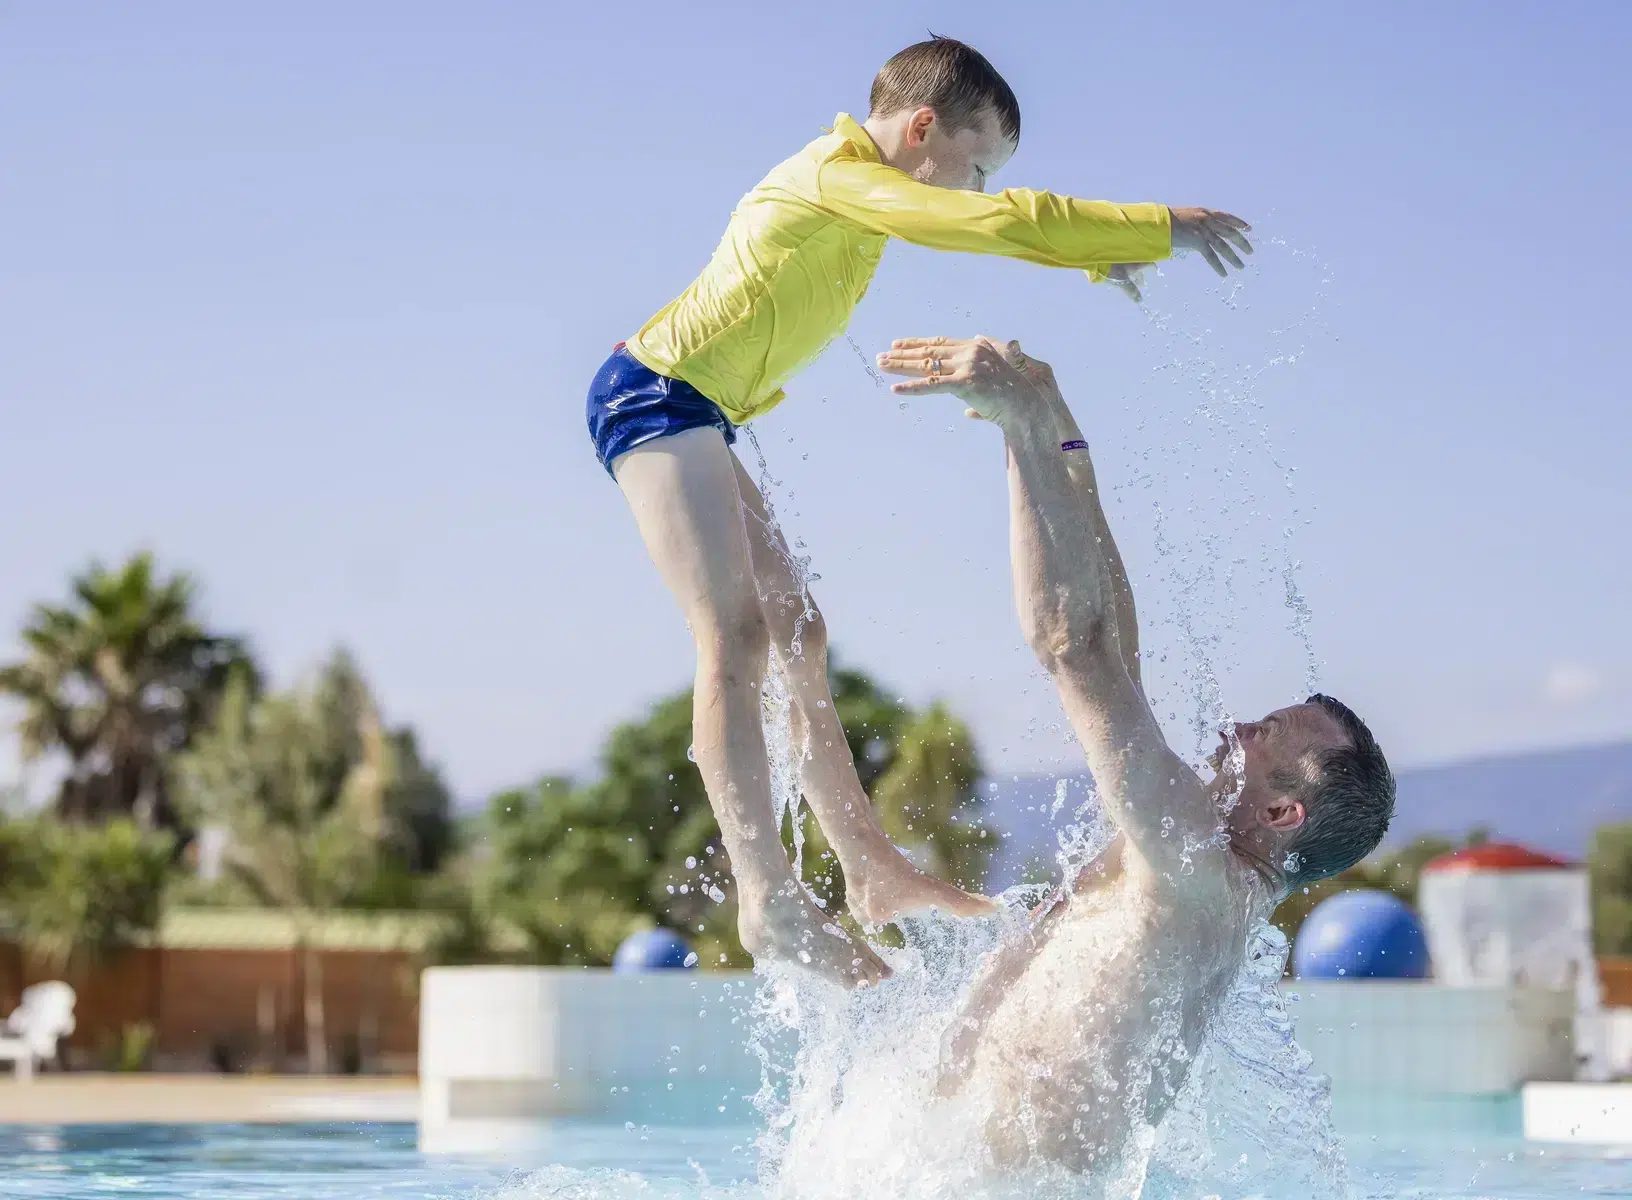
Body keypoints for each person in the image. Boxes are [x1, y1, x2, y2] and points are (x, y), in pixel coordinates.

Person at [587, 35, 1254, 987]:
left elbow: (989, 225)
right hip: (650, 394)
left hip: (696, 410)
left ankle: (870, 869)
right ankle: (767, 896)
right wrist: (1151, 226)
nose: (975, 189)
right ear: (923, 127)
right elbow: (990, 228)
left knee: (798, 628)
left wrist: (1098, 258)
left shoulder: (865, 185)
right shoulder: (836, 174)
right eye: (974, 166)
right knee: (733, 634)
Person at [874, 335, 1395, 1170]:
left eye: (1269, 735)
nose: (1240, 727)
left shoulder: (1197, 870)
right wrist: (1057, 426)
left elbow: (1073, 650)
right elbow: (1117, 639)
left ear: (1280, 811)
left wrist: (1018, 438)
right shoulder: (1202, 871)